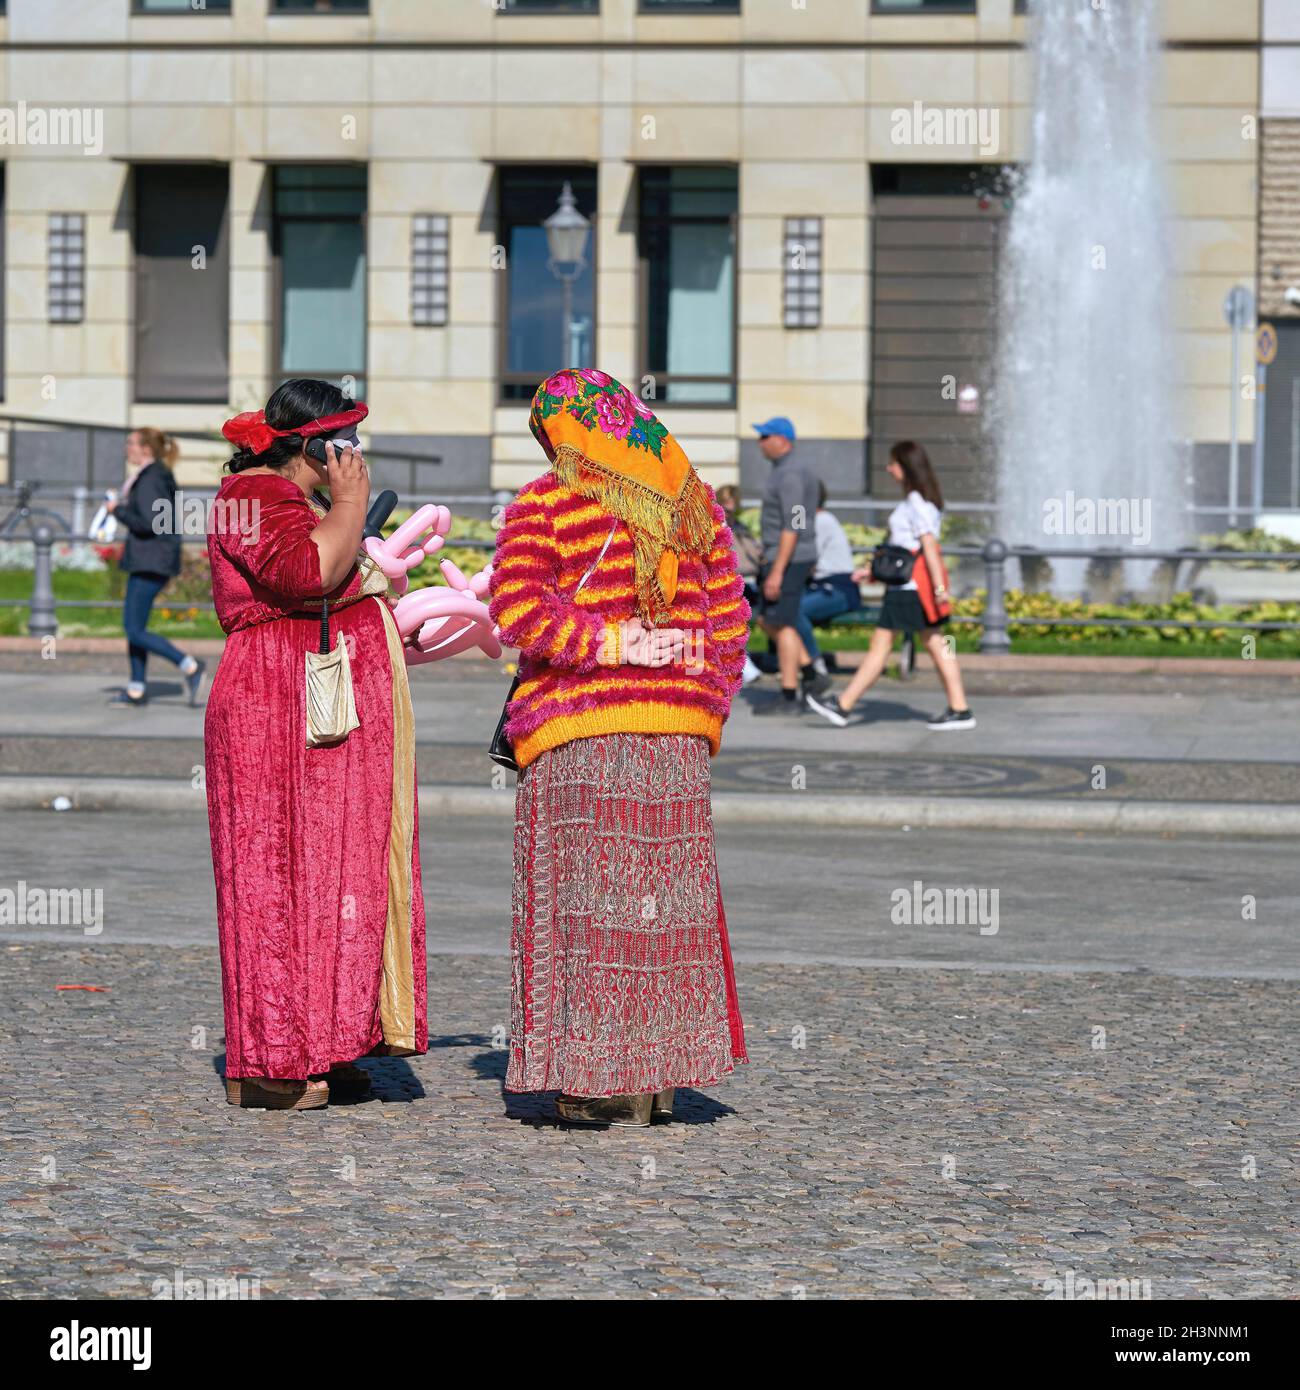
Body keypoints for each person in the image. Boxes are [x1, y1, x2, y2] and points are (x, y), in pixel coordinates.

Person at [489, 368, 749, 1128]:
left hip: (580, 734)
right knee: (666, 910)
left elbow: (516, 608)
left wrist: (608, 640)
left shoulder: (547, 500)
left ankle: (593, 1078)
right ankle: (656, 1076)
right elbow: (731, 625)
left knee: (587, 909)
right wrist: (703, 710)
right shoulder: (693, 505)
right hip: (675, 740)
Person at [205, 379, 428, 1109]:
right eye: (347, 443)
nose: (356, 457)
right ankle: (272, 1059)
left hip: (322, 711)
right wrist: (353, 507)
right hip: (275, 704)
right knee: (278, 876)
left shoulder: (292, 498)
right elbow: (306, 573)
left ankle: (328, 1042)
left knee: (339, 876)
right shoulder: (255, 495)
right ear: (316, 447)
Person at [804, 440, 975, 731]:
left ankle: (844, 705)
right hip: (911, 587)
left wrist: (937, 588)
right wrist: (871, 571)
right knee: (935, 643)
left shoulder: (917, 504)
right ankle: (959, 708)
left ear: (906, 467)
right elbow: (904, 549)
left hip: (910, 588)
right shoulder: (920, 501)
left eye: (893, 463)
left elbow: (928, 547)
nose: (889, 468)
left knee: (884, 645)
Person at [107, 429, 204, 707]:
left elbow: (150, 522)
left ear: (146, 449)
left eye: (131, 443)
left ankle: (189, 665)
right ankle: (136, 688)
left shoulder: (150, 478)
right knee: (135, 627)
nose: (127, 447)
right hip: (152, 559)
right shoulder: (155, 474)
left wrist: (117, 510)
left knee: (134, 629)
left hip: (151, 560)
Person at [752, 415, 820, 714]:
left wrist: (778, 570)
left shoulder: (790, 474)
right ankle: (812, 674)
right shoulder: (787, 470)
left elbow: (793, 525)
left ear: (782, 440)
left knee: (781, 622)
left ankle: (790, 694)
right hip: (787, 556)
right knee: (770, 620)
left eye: (765, 436)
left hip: (789, 558)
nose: (760, 443)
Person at [794, 481, 861, 683]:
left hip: (839, 589)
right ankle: (786, 659)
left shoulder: (822, 521)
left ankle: (815, 663)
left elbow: (806, 561)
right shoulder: (815, 520)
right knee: (783, 607)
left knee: (794, 611)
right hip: (824, 586)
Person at [715, 483, 763, 686]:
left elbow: (754, 556)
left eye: (733, 507)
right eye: (725, 507)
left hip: (746, 582)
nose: (729, 512)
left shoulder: (741, 528)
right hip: (726, 584)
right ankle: (744, 664)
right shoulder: (716, 527)